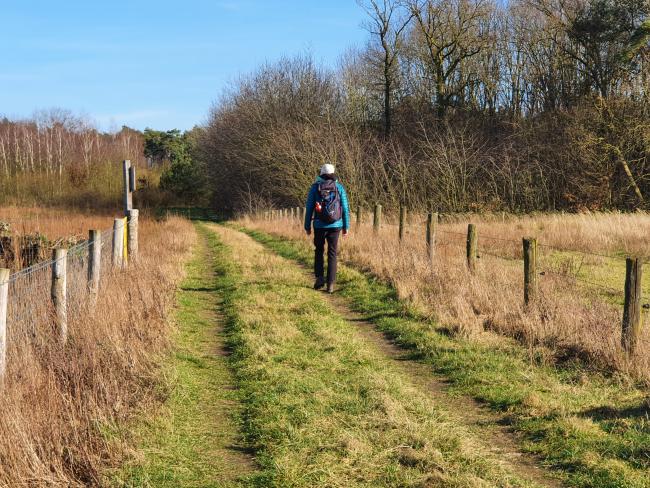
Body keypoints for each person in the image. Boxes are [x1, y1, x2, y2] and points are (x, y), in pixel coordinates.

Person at [304, 163, 350, 293]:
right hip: (336, 225)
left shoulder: (314, 188)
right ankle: (330, 284)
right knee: (332, 253)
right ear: (333, 173)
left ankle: (319, 278)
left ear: (321, 173)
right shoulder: (339, 187)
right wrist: (346, 226)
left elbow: (309, 208)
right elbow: (345, 209)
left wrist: (307, 226)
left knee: (319, 250)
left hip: (319, 225)